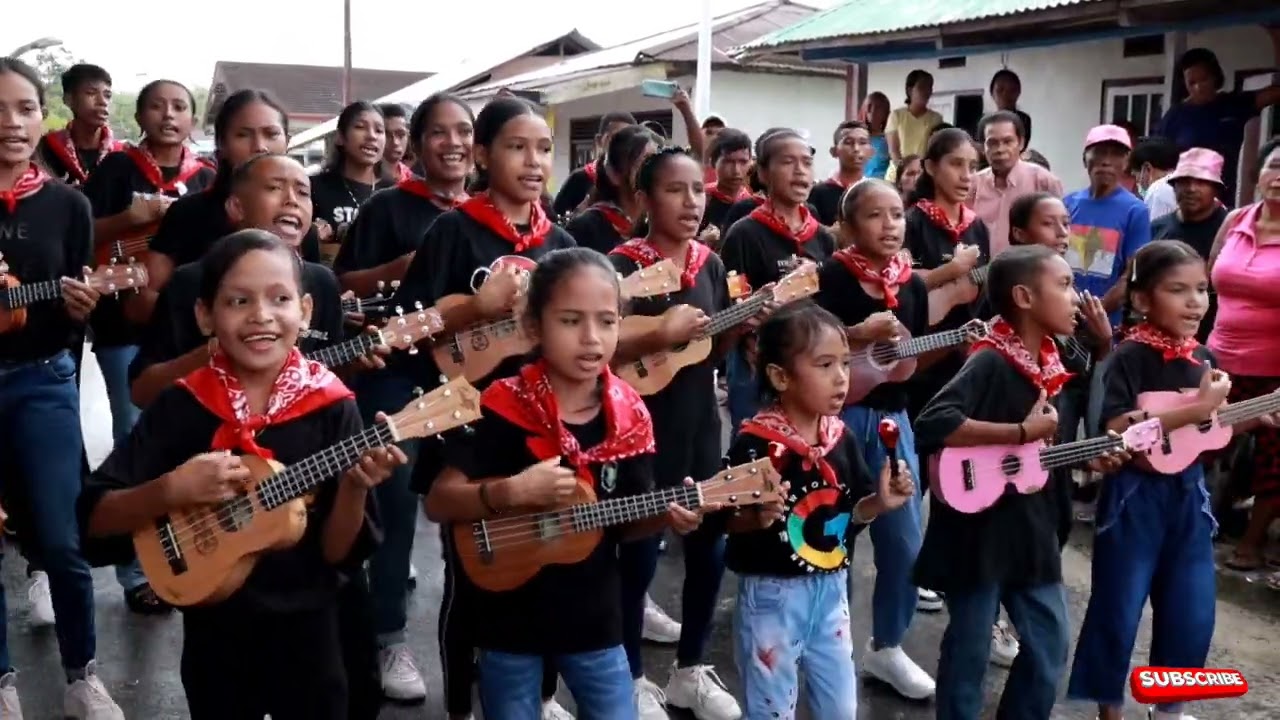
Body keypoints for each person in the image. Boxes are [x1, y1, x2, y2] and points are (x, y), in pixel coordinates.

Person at [80, 229, 404, 719]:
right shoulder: (184, 405)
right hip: (216, 630)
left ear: (307, 311)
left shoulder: (332, 407)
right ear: (205, 315)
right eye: (238, 300)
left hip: (310, 632)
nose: (261, 316)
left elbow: (338, 554)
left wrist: (355, 488)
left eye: (280, 299)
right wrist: (171, 489)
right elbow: (96, 519)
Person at [425, 247, 706, 718]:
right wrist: (510, 493)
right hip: (507, 617)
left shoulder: (630, 417)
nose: (592, 339)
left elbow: (626, 521)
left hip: (593, 618)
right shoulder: (499, 405)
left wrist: (668, 515)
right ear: (534, 327)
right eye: (571, 321)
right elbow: (439, 501)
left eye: (608, 321)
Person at [400, 96, 578, 719]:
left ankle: (542, 694)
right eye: (516, 147)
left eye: (544, 149)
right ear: (481, 155)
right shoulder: (453, 229)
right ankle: (459, 705)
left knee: (550, 559)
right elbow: (415, 328)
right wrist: (477, 307)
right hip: (468, 425)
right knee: (470, 575)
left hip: (544, 421)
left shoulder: (560, 241)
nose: (534, 162)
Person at [916, 245, 1123, 720]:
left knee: (1049, 650)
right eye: (1066, 285)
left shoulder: (1057, 360)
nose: (1078, 298)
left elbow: (1054, 448)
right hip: (980, 528)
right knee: (969, 649)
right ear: (1026, 297)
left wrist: (1094, 457)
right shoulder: (990, 359)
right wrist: (1022, 432)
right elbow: (935, 422)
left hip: (1033, 526)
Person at [609, 148, 761, 720]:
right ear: (645, 199)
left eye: (698, 189)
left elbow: (708, 352)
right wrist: (656, 336)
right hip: (638, 432)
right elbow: (598, 345)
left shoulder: (710, 264)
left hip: (700, 422)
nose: (692, 201)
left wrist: (735, 327)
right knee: (638, 554)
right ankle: (630, 675)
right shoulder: (620, 267)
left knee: (709, 549)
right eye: (676, 190)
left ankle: (690, 669)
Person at [1068, 240, 1242, 720]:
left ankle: (1169, 708)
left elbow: (1207, 431)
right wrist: (1198, 408)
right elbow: (1116, 431)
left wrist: (1246, 417)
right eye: (1178, 290)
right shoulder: (1128, 356)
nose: (1195, 302)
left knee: (1192, 611)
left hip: (1190, 497)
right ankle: (1109, 709)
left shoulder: (1203, 356)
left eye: (1203, 290)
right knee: (1118, 610)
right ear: (1142, 300)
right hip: (1133, 498)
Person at [0, 56, 125, 720]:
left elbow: (85, 302)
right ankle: (2, 681)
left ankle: (83, 674)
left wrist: (82, 306)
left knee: (61, 536)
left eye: (24, 108)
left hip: (41, 379)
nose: (12, 123)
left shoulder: (68, 205)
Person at [723, 301, 915, 718]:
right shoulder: (755, 445)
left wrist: (879, 502)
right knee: (772, 709)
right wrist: (754, 518)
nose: (841, 377)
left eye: (845, 363)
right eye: (825, 365)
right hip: (772, 598)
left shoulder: (840, 438)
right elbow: (721, 519)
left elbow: (847, 518)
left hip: (831, 594)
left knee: (841, 708)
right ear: (780, 376)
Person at [813, 178, 937, 696]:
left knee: (905, 541)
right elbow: (808, 349)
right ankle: (827, 639)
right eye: (875, 216)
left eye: (897, 215)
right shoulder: (829, 276)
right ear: (846, 227)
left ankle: (886, 646)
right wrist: (856, 335)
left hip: (893, 422)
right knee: (833, 535)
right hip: (836, 425)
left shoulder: (913, 285)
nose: (890, 226)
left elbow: (914, 360)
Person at [1007, 193, 1113, 551]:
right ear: (1019, 234)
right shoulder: (1007, 294)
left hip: (1059, 427)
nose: (1062, 232)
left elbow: (1084, 373)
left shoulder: (1070, 302)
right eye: (1049, 224)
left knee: (1056, 519)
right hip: (1017, 435)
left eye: (1066, 223)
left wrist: (1102, 345)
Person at [721, 129, 838, 435]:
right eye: (788, 162)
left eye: (806, 162)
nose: (800, 170)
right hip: (755, 362)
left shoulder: (823, 237)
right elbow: (735, 296)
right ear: (762, 172)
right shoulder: (744, 233)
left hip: (811, 362)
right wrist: (751, 317)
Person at [1207, 137, 1280, 578]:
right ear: (1258, 173)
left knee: (1275, 457)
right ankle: (1202, 522)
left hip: (1274, 367)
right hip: (1221, 355)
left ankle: (1252, 543)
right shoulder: (1235, 219)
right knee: (1207, 443)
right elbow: (1210, 273)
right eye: (1275, 166)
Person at [1155, 47, 1280, 203]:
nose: (1198, 87)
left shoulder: (1232, 105)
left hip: (1225, 198)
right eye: (1192, 83)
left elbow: (1272, 94)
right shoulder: (1175, 117)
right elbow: (1157, 162)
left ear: (1215, 76)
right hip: (1186, 200)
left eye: (1204, 79)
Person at [1063, 125, 1152, 323]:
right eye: (1100, 152)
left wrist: (1097, 312)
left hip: (1108, 322)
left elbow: (1131, 274)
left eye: (1116, 155)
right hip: (1064, 316)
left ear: (1126, 161)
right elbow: (1054, 260)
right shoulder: (1068, 204)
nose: (1106, 161)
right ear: (1085, 158)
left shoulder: (1135, 210)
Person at [1151, 148, 1230, 344]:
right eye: (1184, 181)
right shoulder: (1158, 227)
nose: (1191, 189)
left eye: (1201, 182)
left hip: (1209, 338)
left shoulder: (1231, 229)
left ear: (1215, 189)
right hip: (1160, 338)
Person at [309, 102, 395, 265]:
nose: (372, 136)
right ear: (340, 137)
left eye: (379, 130)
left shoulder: (395, 192)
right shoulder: (314, 187)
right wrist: (311, 233)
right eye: (360, 127)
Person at [968, 111, 1063, 256]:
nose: (1000, 150)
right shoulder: (974, 184)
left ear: (1021, 143)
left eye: (1007, 142)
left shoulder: (1043, 181)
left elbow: (1060, 234)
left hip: (1029, 272)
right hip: (981, 273)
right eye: (992, 143)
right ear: (982, 147)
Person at [565, 124, 661, 254]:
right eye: (644, 161)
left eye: (657, 162)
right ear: (614, 174)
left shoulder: (656, 223)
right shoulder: (585, 228)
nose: (653, 171)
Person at [38, 63, 123, 187]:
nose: (103, 102)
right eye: (91, 93)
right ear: (68, 99)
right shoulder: (45, 149)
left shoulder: (121, 155)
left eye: (107, 95)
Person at [553, 112, 635, 217]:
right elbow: (554, 221)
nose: (622, 146)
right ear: (599, 140)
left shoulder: (635, 182)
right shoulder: (579, 178)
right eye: (616, 138)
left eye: (629, 140)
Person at [807, 120, 873, 227]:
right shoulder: (819, 193)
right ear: (834, 151)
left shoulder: (875, 192)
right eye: (848, 142)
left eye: (862, 143)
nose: (856, 149)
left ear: (871, 152)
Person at [885, 70, 944, 184]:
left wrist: (920, 173)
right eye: (922, 87)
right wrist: (905, 172)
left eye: (929, 87)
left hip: (922, 176)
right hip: (897, 176)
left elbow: (935, 151)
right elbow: (894, 151)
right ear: (909, 90)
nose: (927, 91)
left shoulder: (936, 119)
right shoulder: (896, 116)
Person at [701, 128, 752, 238]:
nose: (736, 170)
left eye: (743, 162)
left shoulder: (754, 206)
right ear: (713, 162)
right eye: (728, 162)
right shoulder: (700, 200)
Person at [1129, 136, 1180, 220]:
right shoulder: (1182, 184)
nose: (1137, 182)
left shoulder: (1158, 190)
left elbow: (1155, 232)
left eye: (1136, 175)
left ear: (1147, 168)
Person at [988, 69, 1033, 146]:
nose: (1005, 95)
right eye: (1000, 90)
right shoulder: (986, 121)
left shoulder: (1023, 120)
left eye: (1012, 90)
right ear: (992, 93)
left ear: (1018, 92)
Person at [861, 92, 892, 180]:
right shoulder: (857, 138)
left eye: (879, 109)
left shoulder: (888, 139)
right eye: (869, 108)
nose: (872, 112)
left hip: (882, 185)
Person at [379, 102, 412, 181]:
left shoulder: (411, 178)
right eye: (387, 135)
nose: (395, 142)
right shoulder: (365, 178)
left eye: (401, 135)